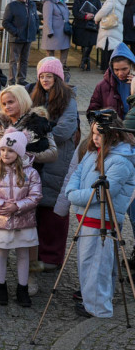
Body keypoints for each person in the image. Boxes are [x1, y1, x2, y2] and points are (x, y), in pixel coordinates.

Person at [65, 120, 135, 319]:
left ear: (113, 134)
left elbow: (103, 193)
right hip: (88, 218)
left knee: (96, 266)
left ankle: (98, 308)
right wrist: (72, 190)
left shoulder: (120, 161)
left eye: (99, 134)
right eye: (93, 133)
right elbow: (77, 173)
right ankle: (95, 301)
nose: (95, 138)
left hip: (101, 221)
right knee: (90, 264)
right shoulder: (92, 152)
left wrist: (73, 196)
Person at [0, 130, 41, 307]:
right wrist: (1, 205)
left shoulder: (31, 173)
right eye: (4, 150)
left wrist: (18, 206)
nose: (6, 154)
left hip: (24, 221)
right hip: (2, 220)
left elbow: (36, 196)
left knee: (23, 253)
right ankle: (0, 286)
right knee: (1, 253)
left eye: (11, 151)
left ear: (20, 153)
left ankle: (22, 288)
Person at [30, 57, 79, 271]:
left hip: (59, 159)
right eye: (41, 76)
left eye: (49, 75)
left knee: (54, 209)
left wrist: (39, 139)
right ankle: (37, 254)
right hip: (38, 160)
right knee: (37, 208)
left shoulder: (68, 99)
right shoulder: (36, 96)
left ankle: (52, 257)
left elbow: (65, 130)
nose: (45, 79)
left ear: (57, 77)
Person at [2, 0, 40, 86]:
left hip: (28, 37)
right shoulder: (11, 6)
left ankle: (21, 79)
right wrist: (16, 32)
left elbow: (36, 18)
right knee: (13, 60)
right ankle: (11, 81)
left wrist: (35, 29)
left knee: (24, 60)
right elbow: (5, 22)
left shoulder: (32, 5)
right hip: (16, 38)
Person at [88, 42, 135, 116]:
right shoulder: (102, 86)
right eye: (116, 70)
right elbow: (92, 111)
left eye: (124, 69)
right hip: (113, 127)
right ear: (111, 68)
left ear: (132, 66)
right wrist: (95, 124)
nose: (120, 73)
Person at [40, 0, 72, 79]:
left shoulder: (62, 1)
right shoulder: (48, 3)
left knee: (65, 48)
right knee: (50, 51)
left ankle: (62, 68)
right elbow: (47, 18)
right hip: (54, 31)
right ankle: (51, 69)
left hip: (63, 31)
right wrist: (49, 31)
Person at [72, 0, 101, 71]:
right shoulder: (78, 0)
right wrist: (85, 16)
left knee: (90, 43)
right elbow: (75, 12)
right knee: (84, 44)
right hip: (81, 25)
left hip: (92, 25)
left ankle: (84, 60)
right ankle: (86, 61)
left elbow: (100, 11)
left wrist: (93, 15)